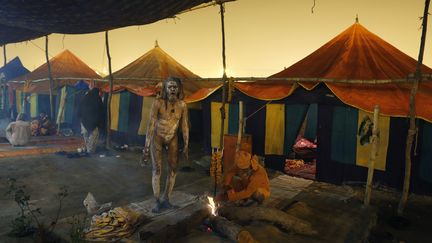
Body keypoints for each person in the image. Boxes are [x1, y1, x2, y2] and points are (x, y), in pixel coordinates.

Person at [141, 77, 189, 213]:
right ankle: (157, 201)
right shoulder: (158, 103)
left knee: (173, 170)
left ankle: (166, 199)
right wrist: (146, 146)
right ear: (166, 89)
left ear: (178, 89)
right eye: (170, 87)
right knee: (157, 169)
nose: (172, 89)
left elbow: (184, 126)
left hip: (172, 137)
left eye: (175, 87)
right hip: (157, 137)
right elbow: (151, 124)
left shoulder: (182, 105)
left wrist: (186, 144)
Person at [77, 87, 104, 153]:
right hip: (93, 122)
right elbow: (101, 111)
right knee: (94, 135)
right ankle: (90, 150)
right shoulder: (98, 98)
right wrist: (100, 123)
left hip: (84, 121)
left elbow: (79, 109)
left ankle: (88, 148)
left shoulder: (85, 97)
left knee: (85, 135)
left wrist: (80, 117)